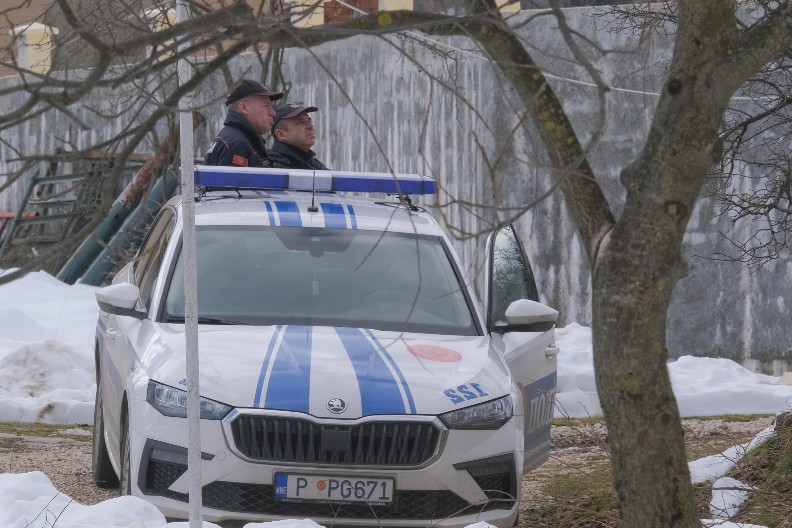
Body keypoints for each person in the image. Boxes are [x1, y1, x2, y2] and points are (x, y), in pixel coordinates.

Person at [204, 79, 283, 167]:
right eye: (266, 105)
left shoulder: (232, 138)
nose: (273, 112)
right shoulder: (238, 144)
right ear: (244, 108)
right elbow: (236, 181)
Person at [268, 103, 329, 170]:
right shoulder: (273, 169)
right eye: (301, 122)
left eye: (309, 120)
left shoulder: (313, 164)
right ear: (281, 134)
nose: (310, 126)